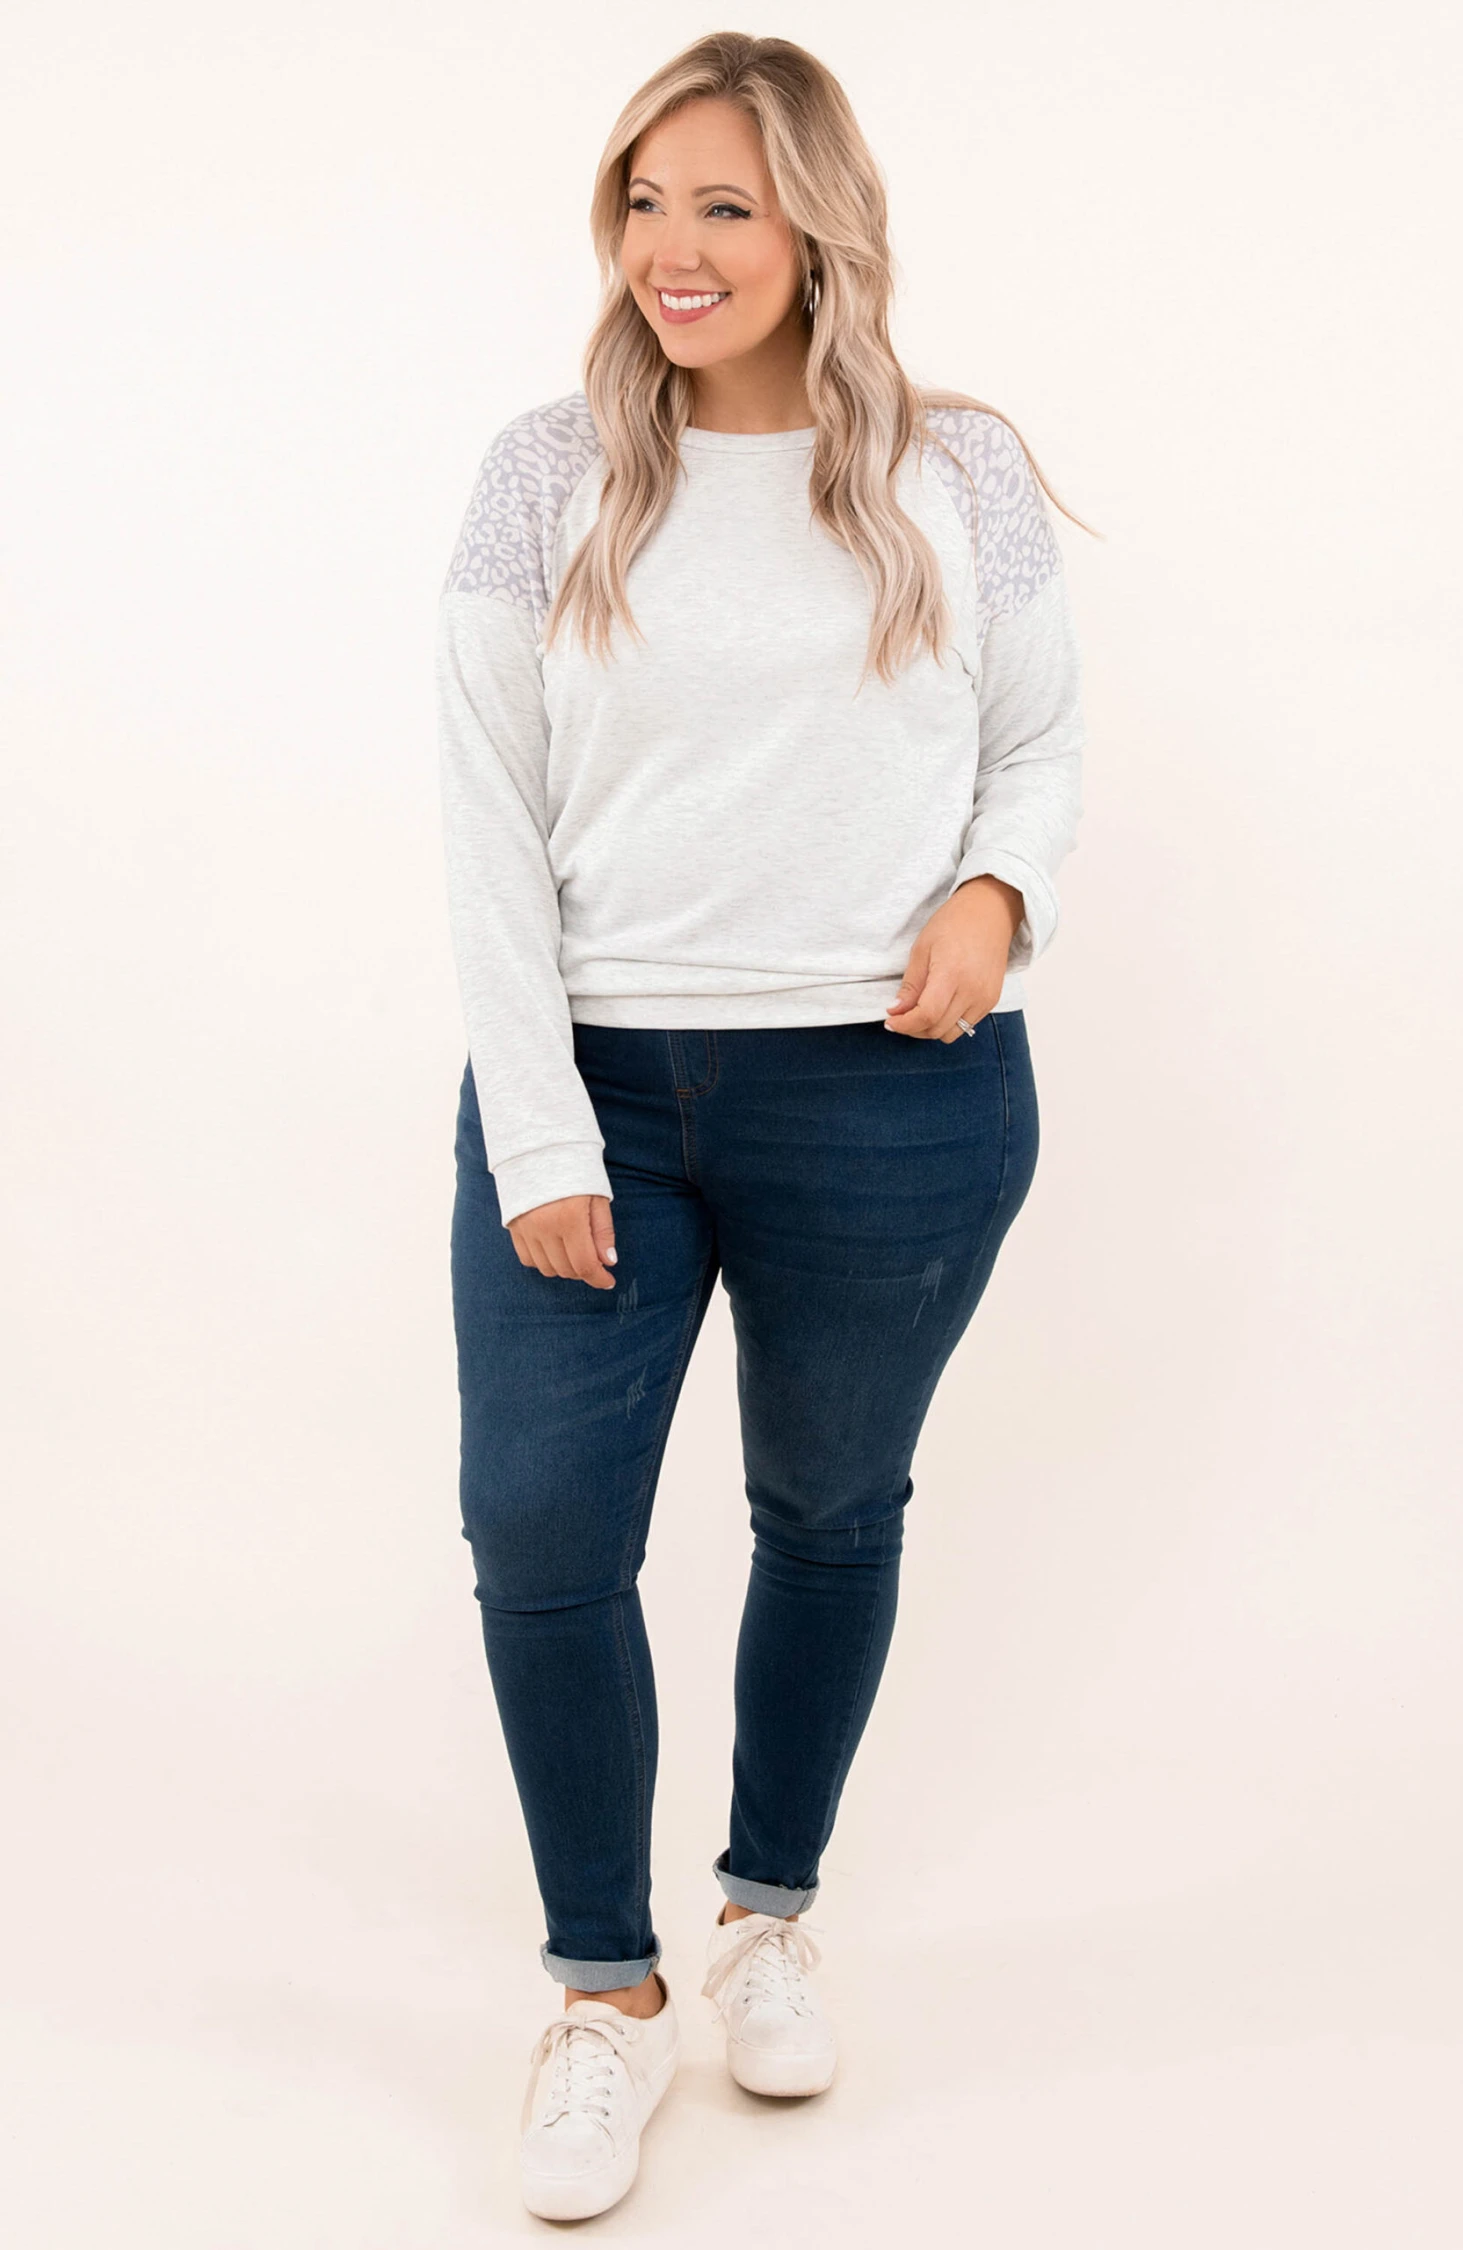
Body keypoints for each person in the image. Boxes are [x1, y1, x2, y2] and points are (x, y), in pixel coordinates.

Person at [435, 30, 1090, 2223]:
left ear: (820, 222)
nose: (676, 249)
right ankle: (604, 1994)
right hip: (599, 1085)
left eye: (724, 204)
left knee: (828, 1510)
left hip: (890, 1095)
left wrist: (999, 897)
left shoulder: (953, 470)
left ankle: (767, 1917)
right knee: (541, 1528)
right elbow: (484, 816)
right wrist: (540, 1133)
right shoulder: (548, 474)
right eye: (646, 202)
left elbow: (1038, 743)